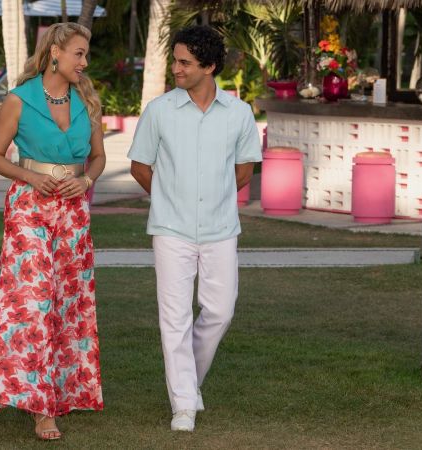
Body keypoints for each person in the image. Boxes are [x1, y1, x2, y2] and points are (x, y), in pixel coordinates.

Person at [127, 25, 262, 432]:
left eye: (185, 62)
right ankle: (183, 404)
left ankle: (189, 383)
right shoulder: (159, 111)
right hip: (171, 229)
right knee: (175, 318)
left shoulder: (239, 113)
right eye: (175, 60)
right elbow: (140, 166)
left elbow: (244, 171)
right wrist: (168, 197)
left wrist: (214, 197)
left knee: (220, 312)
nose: (176, 69)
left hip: (221, 228)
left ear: (210, 66)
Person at [0, 22, 106, 441]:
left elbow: (98, 157)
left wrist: (86, 181)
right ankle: (39, 408)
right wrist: (31, 178)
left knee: (69, 303)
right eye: (78, 53)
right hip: (29, 208)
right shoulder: (20, 100)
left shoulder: (87, 101)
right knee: (32, 303)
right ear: (55, 52)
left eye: (85, 54)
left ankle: (66, 392)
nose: (84, 62)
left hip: (73, 210)